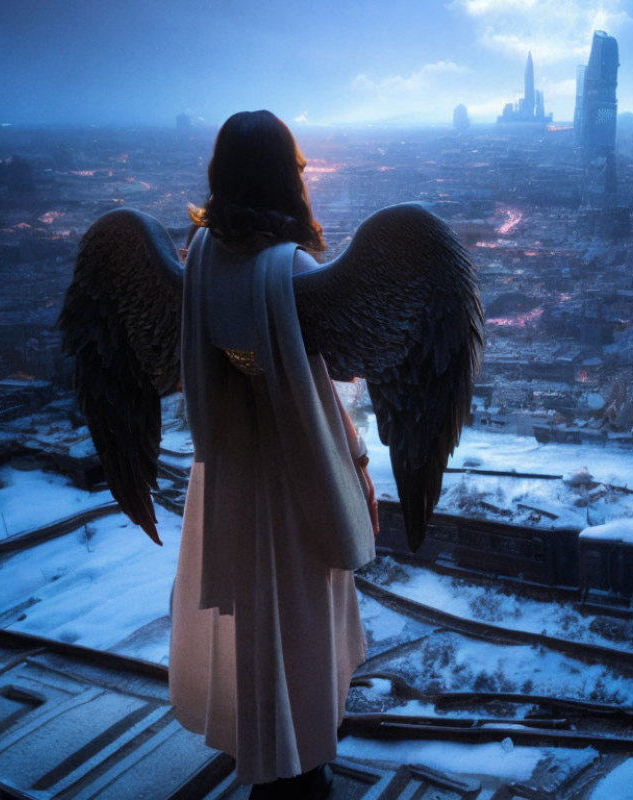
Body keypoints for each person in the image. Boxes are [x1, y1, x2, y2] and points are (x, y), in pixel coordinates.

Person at [168, 110, 378, 799]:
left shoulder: (200, 255)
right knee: (302, 628)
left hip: (234, 470)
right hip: (295, 477)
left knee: (257, 625)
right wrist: (359, 465)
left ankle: (272, 754)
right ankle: (300, 766)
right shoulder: (289, 271)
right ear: (285, 177)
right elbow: (332, 379)